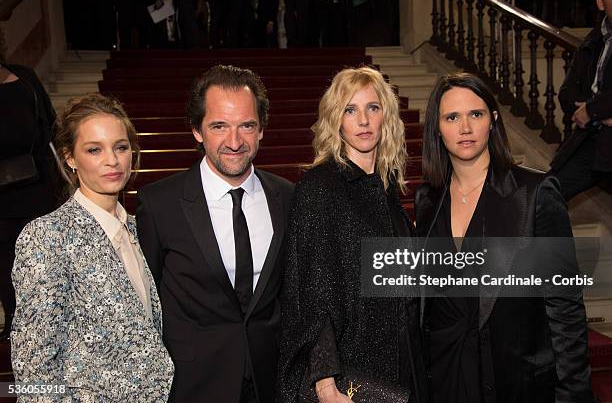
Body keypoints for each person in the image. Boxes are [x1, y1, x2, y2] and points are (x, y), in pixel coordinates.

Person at [416, 73, 593, 403]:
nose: (465, 128)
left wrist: (573, 395)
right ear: (437, 129)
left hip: (513, 382)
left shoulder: (536, 192)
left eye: (476, 114)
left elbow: (565, 309)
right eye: (452, 117)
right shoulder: (427, 200)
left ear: (493, 120)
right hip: (444, 377)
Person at [136, 65, 294, 403]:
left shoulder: (288, 197)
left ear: (261, 129)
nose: (234, 142)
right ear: (197, 130)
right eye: (219, 126)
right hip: (194, 384)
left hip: (272, 381)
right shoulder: (159, 204)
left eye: (246, 126)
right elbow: (145, 305)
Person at [11, 93, 174, 401]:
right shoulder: (47, 236)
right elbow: (32, 364)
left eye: (121, 147)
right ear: (69, 158)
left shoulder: (144, 230)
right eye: (94, 150)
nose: (112, 160)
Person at [277, 66, 426, 403]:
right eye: (350, 109)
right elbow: (313, 292)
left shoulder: (386, 190)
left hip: (403, 360)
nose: (363, 120)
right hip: (351, 370)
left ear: (385, 117)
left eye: (372, 108)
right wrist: (325, 380)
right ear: (337, 120)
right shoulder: (319, 187)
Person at [0, 61, 57, 341]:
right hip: (1, 201)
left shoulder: (24, 76)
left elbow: (49, 122)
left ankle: (52, 321)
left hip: (38, 186)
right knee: (5, 263)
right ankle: (15, 322)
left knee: (43, 260)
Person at [550, 0, 612, 201]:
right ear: (600, 2)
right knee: (544, 194)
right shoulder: (593, 40)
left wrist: (592, 110)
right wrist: (595, 113)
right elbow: (566, 94)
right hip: (591, 138)